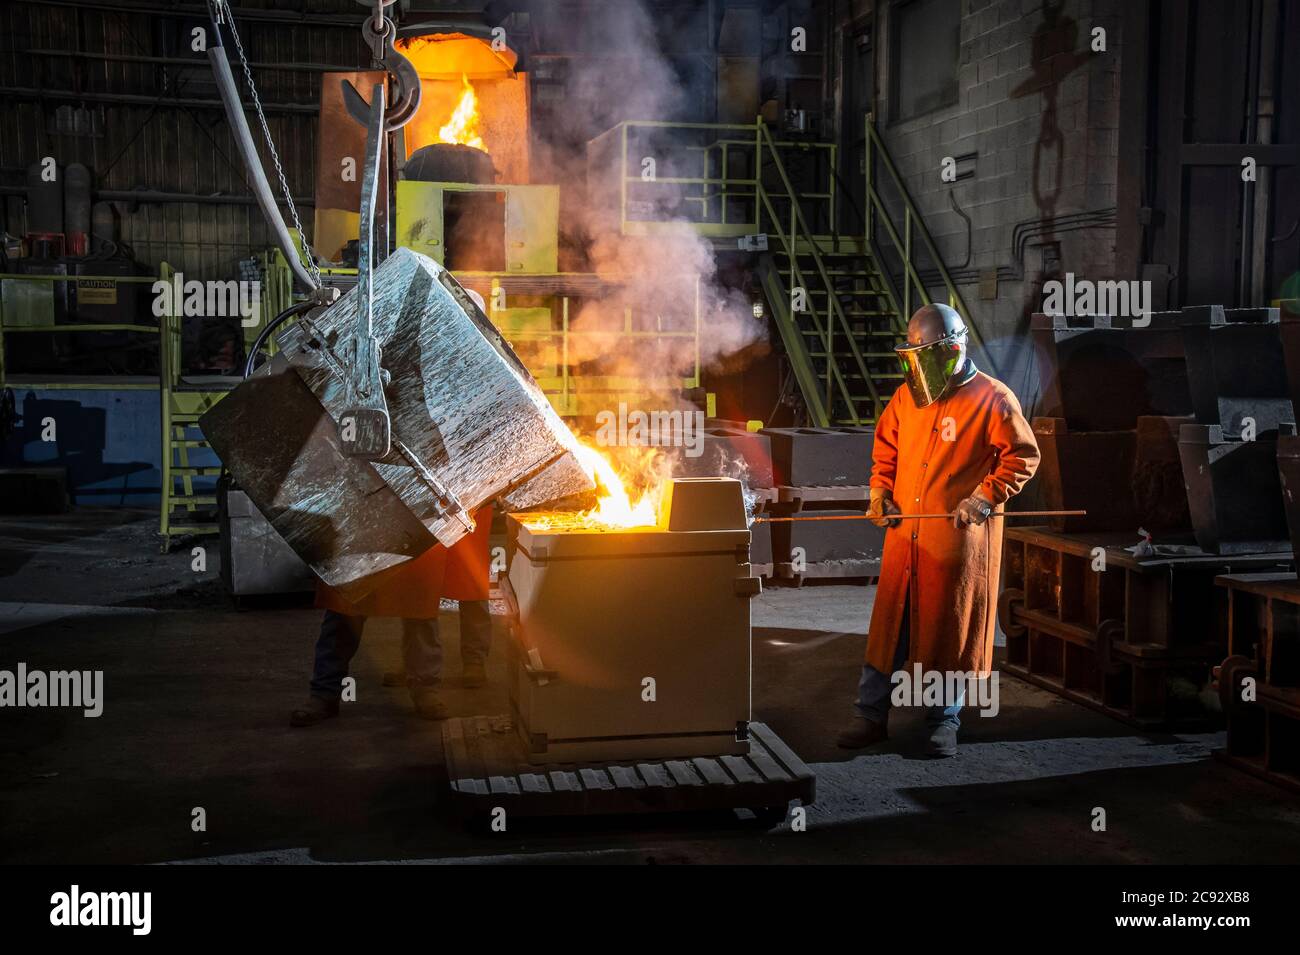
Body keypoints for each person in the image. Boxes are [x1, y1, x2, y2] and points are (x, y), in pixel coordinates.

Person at [838, 304, 1040, 757]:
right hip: (905, 537)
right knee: (890, 628)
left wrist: (984, 497)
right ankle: (870, 717)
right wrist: (878, 494)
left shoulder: (994, 399)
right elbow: (885, 451)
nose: (917, 367)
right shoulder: (907, 398)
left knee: (948, 629)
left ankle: (942, 721)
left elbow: (1022, 457)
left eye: (923, 356)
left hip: (954, 542)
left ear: (950, 350)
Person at [290, 506, 495, 726]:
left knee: (418, 603)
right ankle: (324, 693)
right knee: (345, 608)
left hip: (417, 514)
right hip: (363, 514)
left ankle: (425, 688)